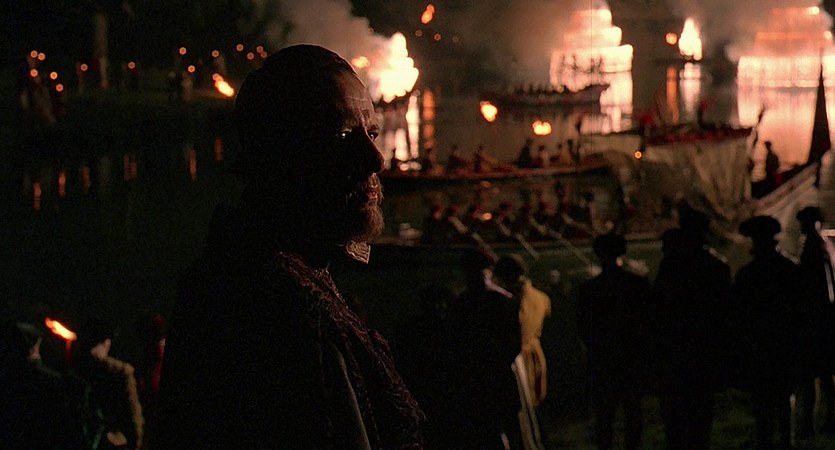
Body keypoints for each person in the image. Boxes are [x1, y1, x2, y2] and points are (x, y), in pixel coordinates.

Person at [157, 44, 424, 449]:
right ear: (279, 154)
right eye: (342, 135)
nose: (375, 159)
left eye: (371, 133)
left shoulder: (258, 270)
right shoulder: (275, 309)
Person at [649, 203, 732, 450]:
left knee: (675, 419)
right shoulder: (716, 267)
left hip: (675, 351)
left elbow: (659, 311)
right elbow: (724, 315)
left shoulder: (671, 267)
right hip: (703, 351)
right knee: (700, 417)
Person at [732, 215, 802, 449]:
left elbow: (739, 318)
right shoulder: (790, 269)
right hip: (784, 346)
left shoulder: (747, 276)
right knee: (784, 402)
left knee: (762, 406)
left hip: (759, 349)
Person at [578, 233, 651, 450]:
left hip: (603, 358)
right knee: (633, 412)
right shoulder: (637, 284)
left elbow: (584, 327)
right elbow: (647, 321)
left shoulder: (589, 289)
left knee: (604, 415)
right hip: (630, 356)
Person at [459, 255, 525, 449]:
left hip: (478, 379)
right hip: (499, 378)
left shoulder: (463, 304)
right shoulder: (503, 300)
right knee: (510, 430)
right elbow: (514, 344)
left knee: (489, 432)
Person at [70, 318, 145, 450]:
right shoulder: (121, 372)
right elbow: (132, 412)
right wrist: (136, 441)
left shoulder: (73, 366)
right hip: (109, 441)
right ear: (106, 342)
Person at [794, 206, 835, 438]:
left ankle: (812, 422)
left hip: (815, 320)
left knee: (811, 375)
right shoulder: (824, 246)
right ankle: (827, 419)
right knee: (825, 375)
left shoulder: (815, 249)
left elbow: (824, 290)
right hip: (823, 319)